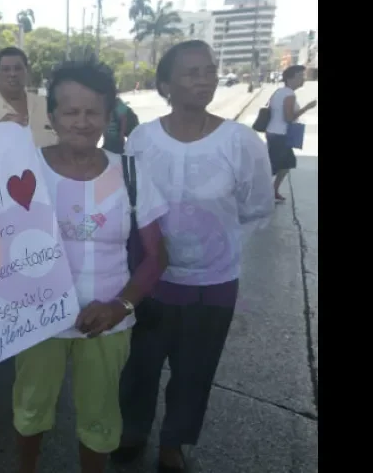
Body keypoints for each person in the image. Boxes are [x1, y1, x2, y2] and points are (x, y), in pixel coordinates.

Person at [114, 40, 274, 473]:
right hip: (151, 279)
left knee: (195, 370)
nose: (204, 79)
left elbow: (257, 205)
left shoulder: (241, 142)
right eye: (191, 72)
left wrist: (214, 243)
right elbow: (131, 202)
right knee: (141, 365)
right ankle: (132, 432)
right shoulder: (144, 139)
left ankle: (174, 443)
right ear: (165, 84)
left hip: (213, 283)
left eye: (209, 70)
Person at [13, 59, 169, 473]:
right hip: (36, 321)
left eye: (92, 112)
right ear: (52, 116)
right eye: (70, 111)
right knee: (30, 410)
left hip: (108, 323)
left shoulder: (131, 173)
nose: (81, 122)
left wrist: (121, 306)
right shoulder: (23, 169)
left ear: (108, 115)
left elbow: (157, 256)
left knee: (99, 419)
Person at [0, 47, 56, 147]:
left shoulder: (47, 106)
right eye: (6, 69)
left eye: (18, 68)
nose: (12, 74)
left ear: (27, 72)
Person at [265, 64, 317, 202]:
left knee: (285, 164)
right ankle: (258, 192)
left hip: (274, 132)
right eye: (300, 76)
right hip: (279, 134)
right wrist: (307, 107)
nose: (303, 79)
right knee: (274, 166)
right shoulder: (289, 94)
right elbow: (288, 118)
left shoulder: (279, 92)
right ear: (290, 78)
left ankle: (272, 191)